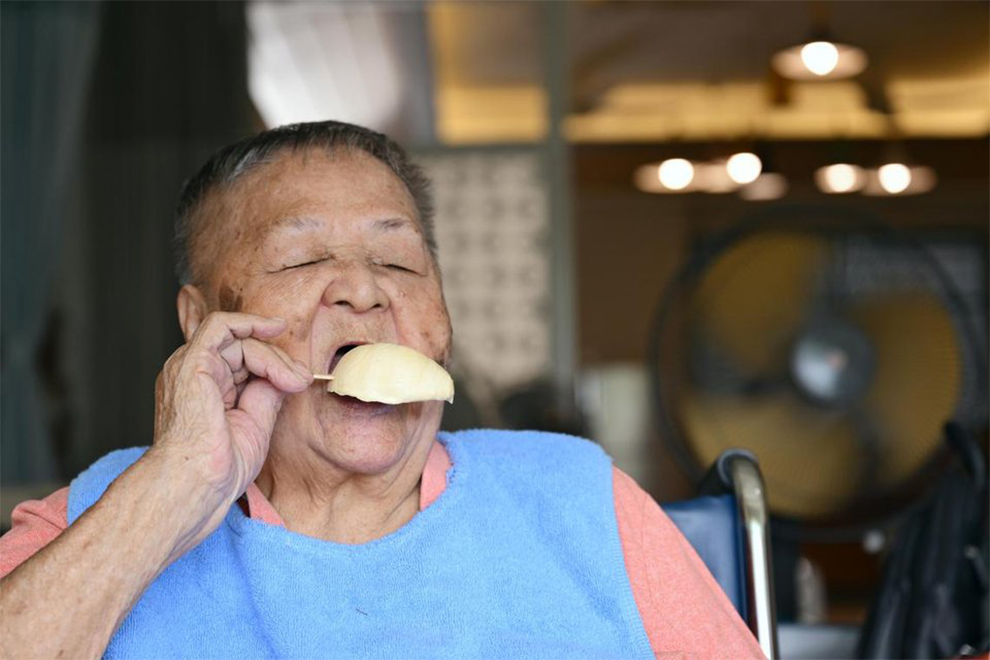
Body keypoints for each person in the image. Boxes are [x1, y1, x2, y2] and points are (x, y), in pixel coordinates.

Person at [0, 121, 764, 659]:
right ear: (204, 325)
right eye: (301, 261)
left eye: (399, 264)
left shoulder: (583, 498)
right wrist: (173, 488)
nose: (363, 291)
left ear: (441, 323)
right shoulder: (95, 516)